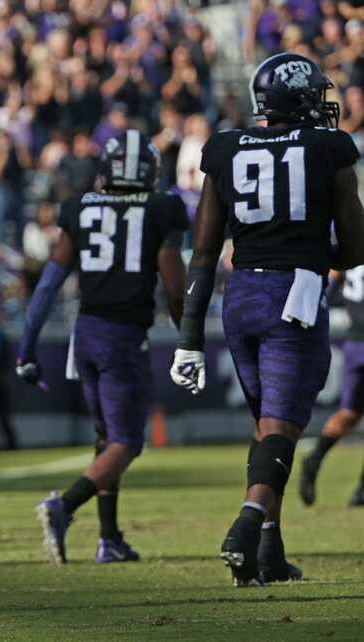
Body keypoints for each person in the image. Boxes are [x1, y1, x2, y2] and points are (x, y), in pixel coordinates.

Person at [170, 53, 364, 586]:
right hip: (292, 294)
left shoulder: (226, 147)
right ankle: (247, 525)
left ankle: (268, 554)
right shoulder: (330, 147)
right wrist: (311, 247)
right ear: (300, 99)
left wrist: (188, 338)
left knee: (264, 431)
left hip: (241, 297)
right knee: (281, 428)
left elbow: (203, 253)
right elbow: (354, 246)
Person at [16, 130, 188, 564]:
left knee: (105, 438)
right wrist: (191, 336)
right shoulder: (162, 207)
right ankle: (65, 505)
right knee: (126, 444)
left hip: (85, 332)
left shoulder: (79, 208)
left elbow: (48, 286)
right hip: (122, 336)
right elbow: (173, 286)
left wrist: (27, 347)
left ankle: (108, 539)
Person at [300, 266, 364, 506]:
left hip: (355, 342)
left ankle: (315, 458)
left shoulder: (352, 247)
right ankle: (362, 490)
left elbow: (326, 283)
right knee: (349, 414)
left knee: (349, 413)